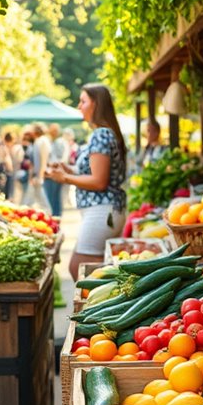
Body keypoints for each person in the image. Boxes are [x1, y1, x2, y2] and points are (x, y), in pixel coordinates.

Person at [45, 84, 127, 281]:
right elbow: (93, 172)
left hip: (101, 210)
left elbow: (99, 181)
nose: (79, 106)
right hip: (104, 210)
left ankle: (101, 311)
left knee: (80, 268)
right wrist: (68, 169)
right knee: (96, 270)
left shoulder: (101, 134)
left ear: (96, 104)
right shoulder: (103, 133)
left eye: (83, 101)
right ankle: (103, 310)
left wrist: (64, 178)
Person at [43, 123, 67, 217]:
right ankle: (53, 216)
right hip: (48, 174)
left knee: (55, 197)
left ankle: (56, 216)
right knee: (50, 197)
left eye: (55, 131)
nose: (54, 132)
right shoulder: (48, 141)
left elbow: (63, 158)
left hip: (56, 172)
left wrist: (54, 164)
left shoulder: (61, 142)